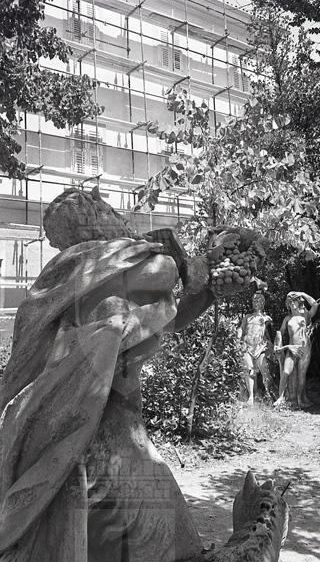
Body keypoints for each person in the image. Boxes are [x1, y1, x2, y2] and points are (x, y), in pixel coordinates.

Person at [0, 187, 265, 562]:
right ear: (94, 218)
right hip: (103, 438)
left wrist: (208, 290)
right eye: (107, 209)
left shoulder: (91, 280)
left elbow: (169, 319)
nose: (119, 217)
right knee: (162, 535)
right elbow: (167, 272)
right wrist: (203, 264)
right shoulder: (100, 266)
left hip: (105, 433)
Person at [273, 291, 318, 408]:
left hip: (305, 349)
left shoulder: (305, 315)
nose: (292, 304)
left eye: (294, 301)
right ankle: (280, 398)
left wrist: (302, 293)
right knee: (286, 372)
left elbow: (315, 305)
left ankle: (299, 399)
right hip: (291, 349)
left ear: (299, 302)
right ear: (287, 304)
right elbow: (280, 333)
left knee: (301, 375)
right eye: (290, 302)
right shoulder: (287, 319)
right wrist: (277, 345)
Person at [237, 291, 274, 405]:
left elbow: (269, 333)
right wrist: (238, 337)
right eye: (254, 300)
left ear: (263, 303)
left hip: (260, 347)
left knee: (264, 370)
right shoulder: (247, 317)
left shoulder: (267, 318)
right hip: (247, 347)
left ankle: (269, 393)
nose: (256, 302)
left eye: (258, 300)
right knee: (249, 370)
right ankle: (251, 396)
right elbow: (241, 329)